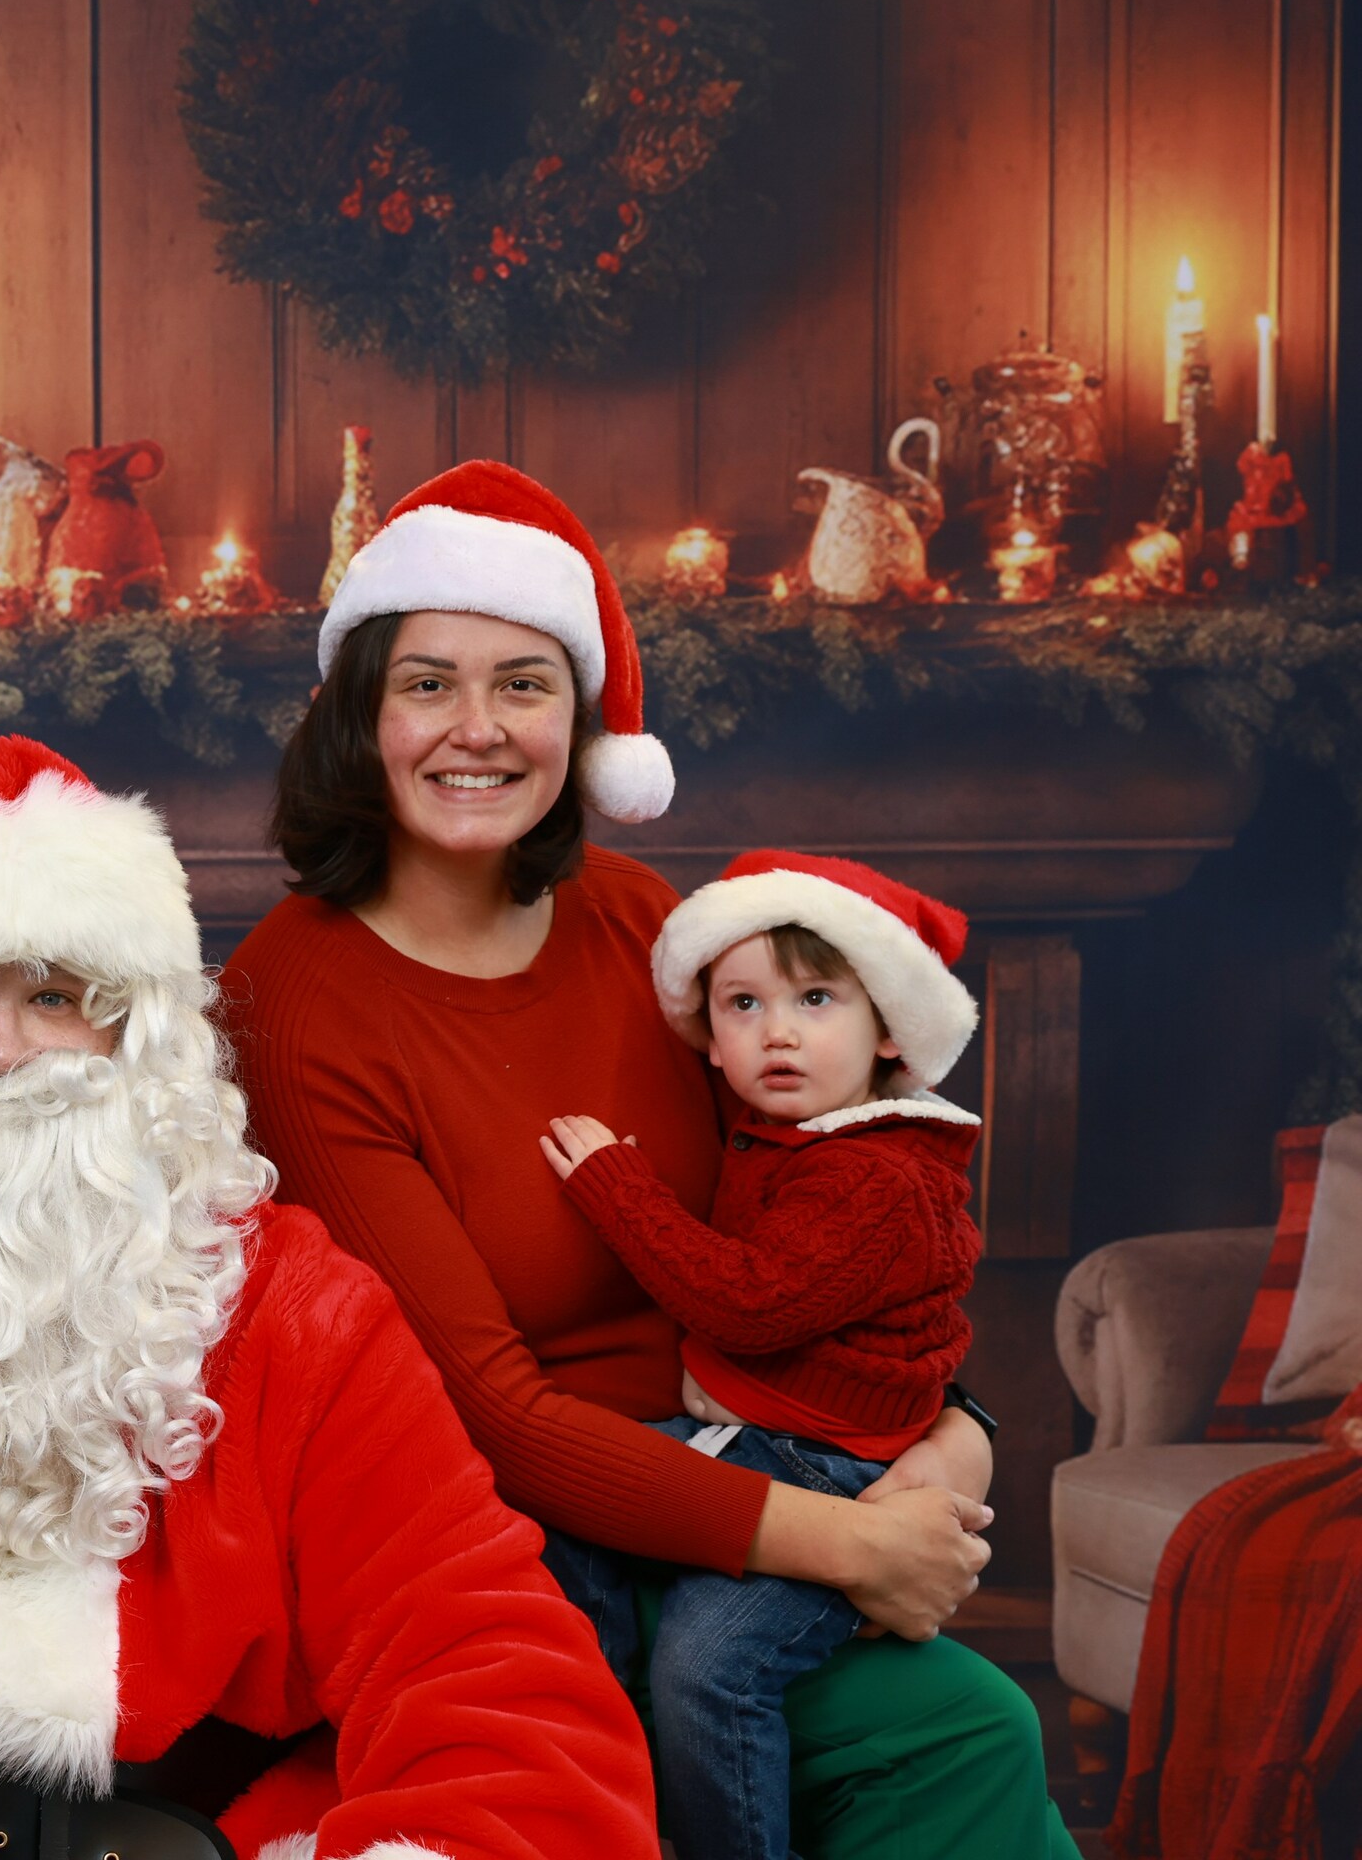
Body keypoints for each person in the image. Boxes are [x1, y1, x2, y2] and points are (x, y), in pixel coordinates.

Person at [220, 459, 1078, 1860]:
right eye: (428, 684)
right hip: (511, 1544)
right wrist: (848, 1544)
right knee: (956, 1725)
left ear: (580, 721)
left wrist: (947, 1434)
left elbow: (820, 1216)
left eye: (524, 684)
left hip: (739, 1477)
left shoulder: (637, 921)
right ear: (361, 715)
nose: (479, 729)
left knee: (972, 1730)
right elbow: (489, 1415)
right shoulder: (295, 1002)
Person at [0, 736, 661, 1860]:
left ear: (134, 1036)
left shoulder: (293, 1307)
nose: (1, 1051)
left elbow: (488, 1667)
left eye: (54, 996)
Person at [536, 850, 989, 1860]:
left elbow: (747, 1304)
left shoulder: (878, 1177)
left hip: (831, 1468)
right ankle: (606, 1783)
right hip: (754, 1439)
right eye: (743, 1004)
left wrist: (619, 1189)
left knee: (710, 1667)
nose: (777, 1032)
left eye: (815, 999)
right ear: (708, 1036)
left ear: (888, 1031)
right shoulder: (791, 1134)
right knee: (569, 1508)